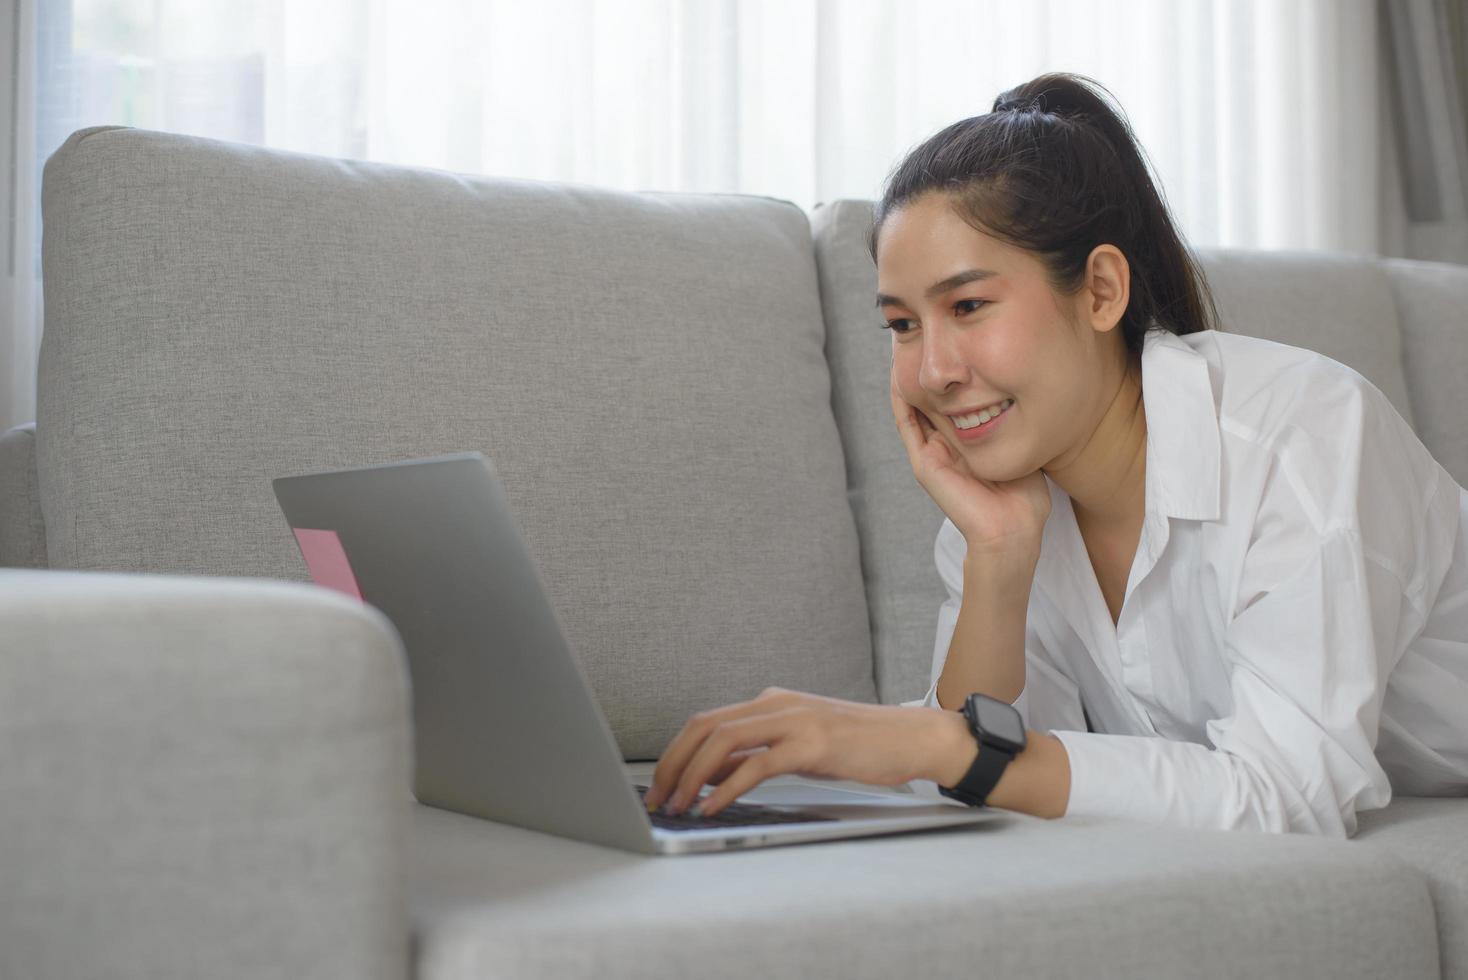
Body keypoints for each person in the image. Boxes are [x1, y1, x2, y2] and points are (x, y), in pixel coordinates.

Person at [642, 71, 1468, 837]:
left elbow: (1288, 797)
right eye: (901, 325)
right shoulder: (1004, 501)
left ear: (1103, 290)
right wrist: (998, 559)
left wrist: (939, 744)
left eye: (968, 305)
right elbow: (990, 780)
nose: (933, 371)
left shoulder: (1300, 434)